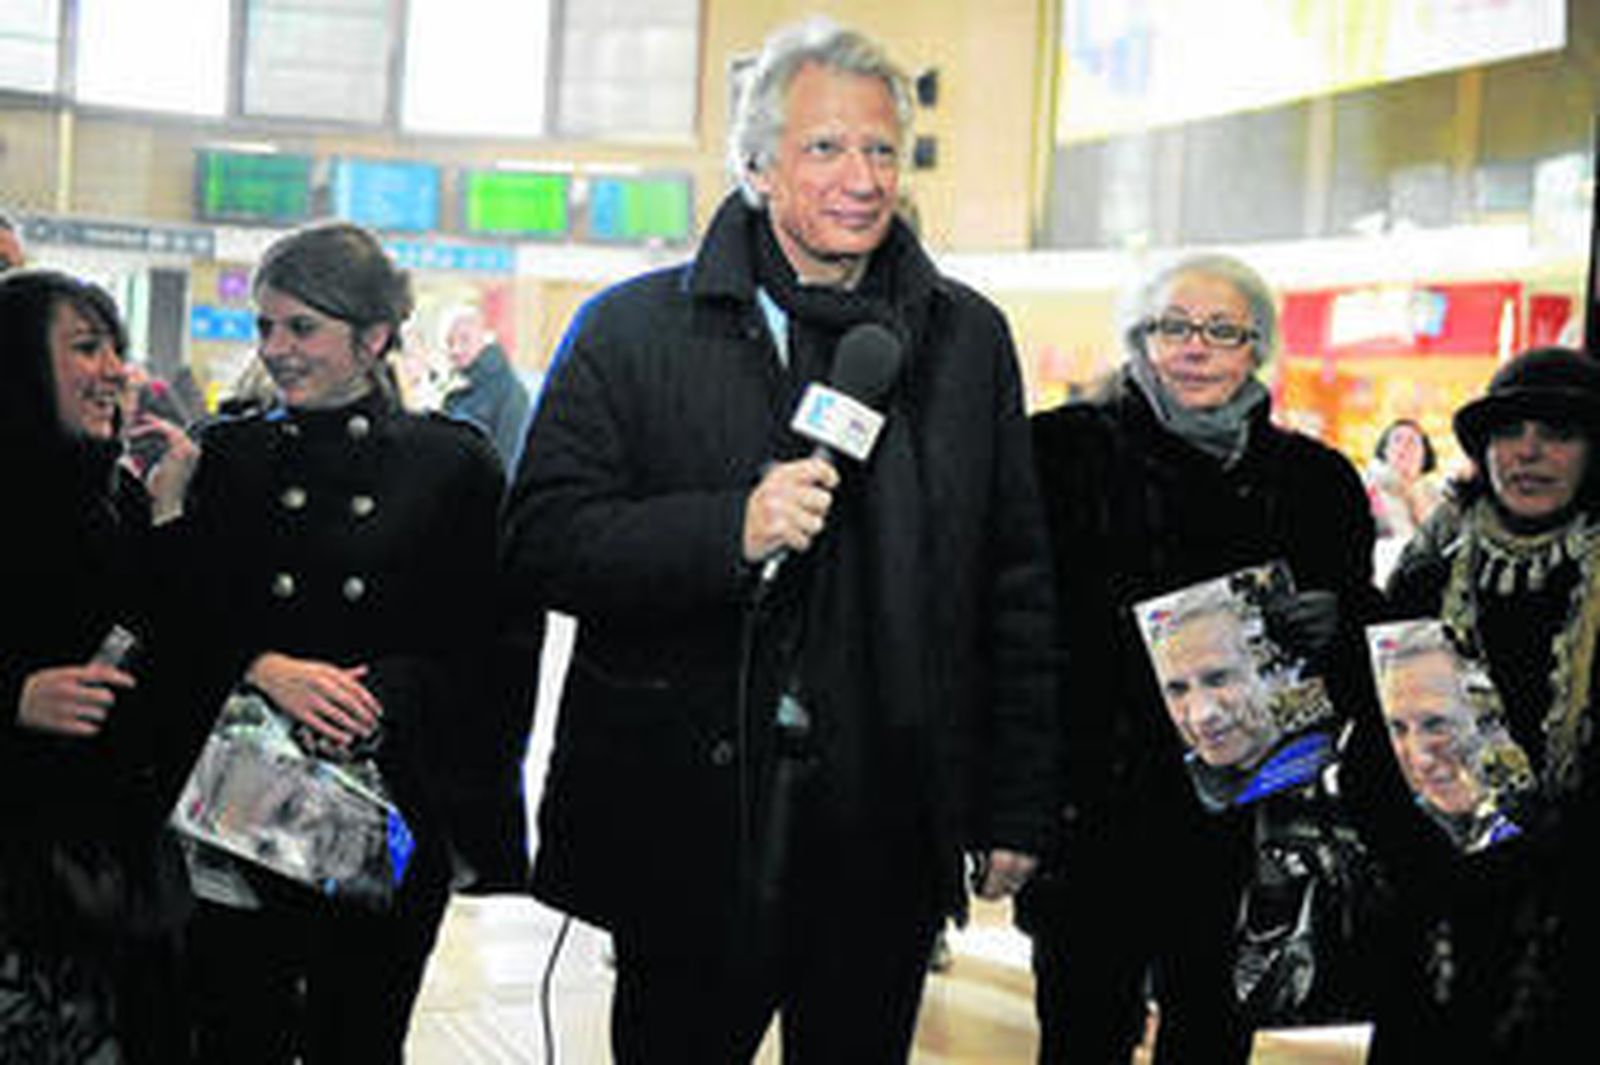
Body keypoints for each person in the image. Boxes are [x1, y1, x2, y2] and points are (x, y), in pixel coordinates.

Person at [502, 16, 1057, 1062]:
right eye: (825, 148)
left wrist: (1015, 801)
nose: (861, 177)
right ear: (754, 165)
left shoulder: (964, 339)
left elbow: (1012, 581)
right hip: (692, 823)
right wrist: (729, 527)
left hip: (886, 827)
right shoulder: (633, 328)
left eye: (882, 148)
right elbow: (541, 539)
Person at [168, 221, 521, 1063]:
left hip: (390, 805)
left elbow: (495, 645)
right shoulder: (228, 454)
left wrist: (382, 698)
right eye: (265, 327)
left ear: (373, 338)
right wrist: (261, 667)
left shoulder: (453, 466)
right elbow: (178, 617)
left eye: (302, 328)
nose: (278, 349)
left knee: (357, 1038)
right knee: (231, 1034)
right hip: (237, 802)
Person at [1020, 252, 1378, 1062]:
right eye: (1173, 326)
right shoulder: (1060, 453)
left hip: (1243, 821)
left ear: (1258, 349)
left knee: (1213, 1036)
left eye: (1223, 330)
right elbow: (1010, 626)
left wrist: (1339, 622)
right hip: (1091, 809)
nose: (1195, 346)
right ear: (1138, 341)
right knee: (1082, 1029)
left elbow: (1361, 651)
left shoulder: (1315, 481)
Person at [0, 269, 219, 1062]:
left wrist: (166, 514)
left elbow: (170, 658)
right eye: (86, 348)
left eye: (117, 349)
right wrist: (14, 697)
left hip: (112, 883)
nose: (116, 370)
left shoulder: (111, 496)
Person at [1369, 345, 1600, 1061]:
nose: (1528, 453)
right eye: (1508, 433)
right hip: (1444, 915)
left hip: (1579, 921)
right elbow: (1375, 750)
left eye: (1557, 433)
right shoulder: (1425, 583)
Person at [441, 302, 531, 474]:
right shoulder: (446, 389)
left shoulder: (510, 392)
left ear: (484, 338)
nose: (456, 349)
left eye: (465, 339)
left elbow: (507, 464)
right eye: (449, 341)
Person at [1367, 418, 1443, 583]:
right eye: (1397, 440)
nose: (1405, 447)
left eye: (1413, 441)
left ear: (1425, 454)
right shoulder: (1371, 491)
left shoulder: (1438, 496)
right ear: (1385, 451)